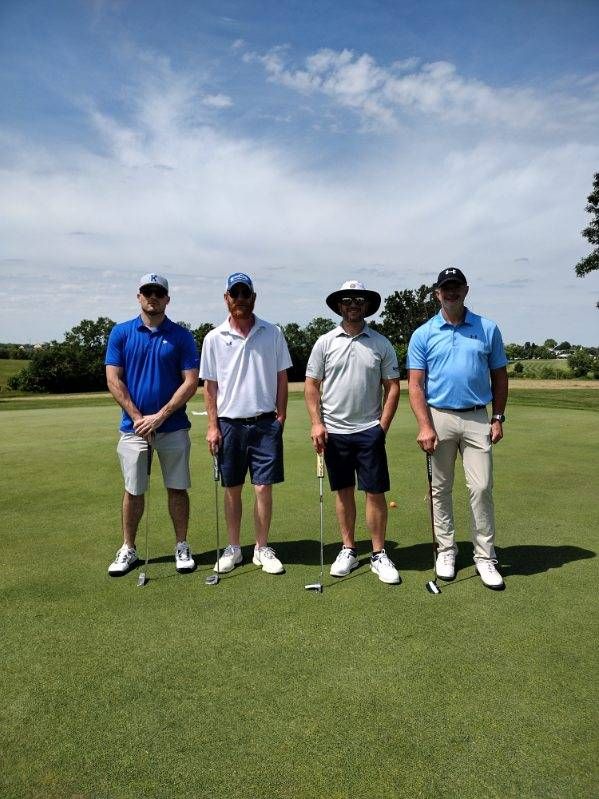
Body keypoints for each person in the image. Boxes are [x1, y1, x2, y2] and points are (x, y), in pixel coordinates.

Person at [406, 267, 509, 590]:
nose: (451, 293)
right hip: (438, 418)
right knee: (440, 489)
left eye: (456, 288)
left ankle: (485, 556)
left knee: (481, 487)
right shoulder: (423, 333)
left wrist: (498, 417)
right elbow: (416, 385)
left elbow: (500, 377)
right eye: (444, 288)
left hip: (478, 416)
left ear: (466, 290)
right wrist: (424, 425)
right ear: (437, 293)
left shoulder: (487, 328)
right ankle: (447, 551)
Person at [304, 280, 402, 584]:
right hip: (334, 431)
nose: (353, 304)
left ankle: (378, 554)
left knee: (375, 492)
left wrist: (381, 427)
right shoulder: (324, 342)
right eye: (347, 300)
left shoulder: (381, 343)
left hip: (369, 430)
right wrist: (316, 423)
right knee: (343, 491)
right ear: (339, 306)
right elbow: (311, 386)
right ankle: (348, 549)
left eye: (359, 299)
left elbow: (393, 387)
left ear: (366, 305)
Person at [105, 273, 200, 576]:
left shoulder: (181, 336)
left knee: (177, 488)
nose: (153, 297)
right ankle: (128, 548)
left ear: (167, 299)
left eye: (159, 293)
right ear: (139, 296)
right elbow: (113, 378)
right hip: (133, 429)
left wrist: (160, 415)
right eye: (147, 292)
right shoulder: (121, 333)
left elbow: (191, 381)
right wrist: (137, 417)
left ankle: (182, 545)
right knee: (134, 490)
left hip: (173, 427)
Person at [200, 272, 292, 575]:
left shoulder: (272, 332)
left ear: (253, 297)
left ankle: (262, 547)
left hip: (265, 423)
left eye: (245, 293)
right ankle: (234, 547)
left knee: (263, 488)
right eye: (234, 293)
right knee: (233, 488)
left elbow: (282, 377)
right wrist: (212, 426)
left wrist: (280, 416)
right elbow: (210, 386)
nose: (240, 298)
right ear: (227, 298)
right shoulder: (214, 338)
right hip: (229, 424)